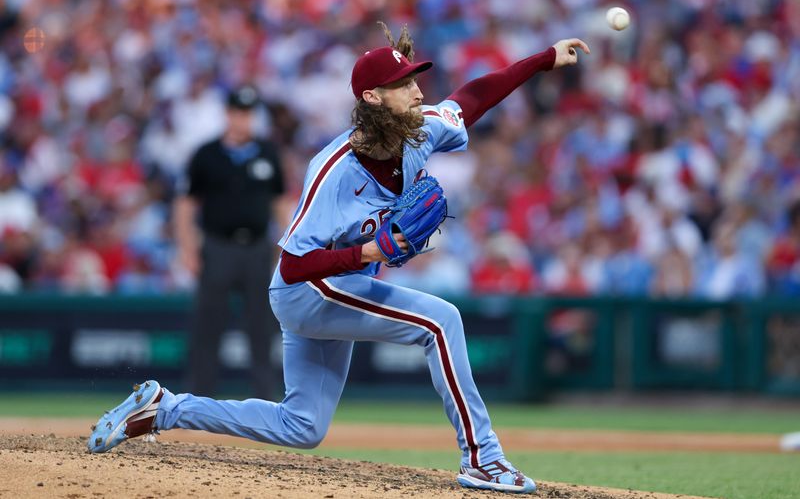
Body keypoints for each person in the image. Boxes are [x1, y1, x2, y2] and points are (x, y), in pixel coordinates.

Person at [88, 24, 589, 494]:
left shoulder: (422, 128)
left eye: (415, 79)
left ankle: (164, 408)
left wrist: (544, 60)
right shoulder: (334, 171)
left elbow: (473, 98)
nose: (418, 91)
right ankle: (483, 457)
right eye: (403, 84)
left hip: (341, 285)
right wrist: (368, 252)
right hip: (309, 289)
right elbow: (291, 266)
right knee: (440, 321)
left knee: (302, 426)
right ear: (373, 98)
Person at [173, 85, 285, 399]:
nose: (243, 120)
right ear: (228, 114)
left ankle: (266, 399)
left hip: (257, 248)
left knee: (262, 328)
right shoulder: (207, 154)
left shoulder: (267, 152)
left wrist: (285, 246)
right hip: (218, 246)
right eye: (238, 112)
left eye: (248, 114)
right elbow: (185, 204)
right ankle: (197, 398)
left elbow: (280, 204)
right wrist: (187, 248)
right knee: (208, 326)